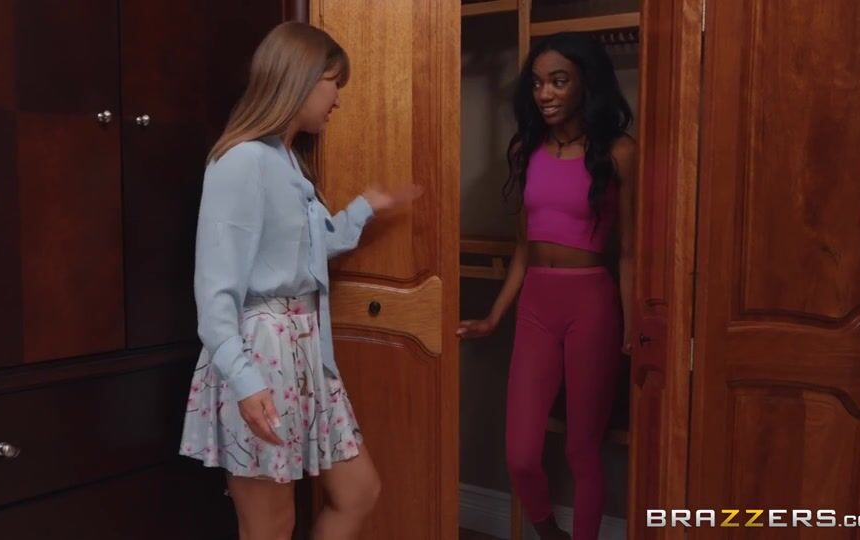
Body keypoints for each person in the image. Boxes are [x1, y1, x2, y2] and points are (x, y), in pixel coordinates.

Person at [180, 21, 420, 540]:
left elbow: (301, 252)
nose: (338, 99)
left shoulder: (285, 158)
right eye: (334, 83)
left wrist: (365, 208)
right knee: (271, 525)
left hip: (306, 353)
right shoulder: (241, 161)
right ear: (301, 79)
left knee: (359, 492)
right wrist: (245, 381)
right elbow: (215, 291)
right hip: (262, 354)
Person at [457, 32, 637, 540]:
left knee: (583, 450)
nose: (545, 94)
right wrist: (493, 316)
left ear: (585, 83)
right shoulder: (525, 150)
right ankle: (549, 533)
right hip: (537, 302)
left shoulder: (620, 152)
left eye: (559, 81)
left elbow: (629, 252)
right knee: (520, 454)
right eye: (537, 83)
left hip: (593, 305)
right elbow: (524, 247)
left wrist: (633, 327)